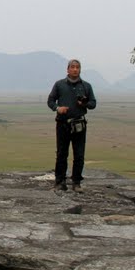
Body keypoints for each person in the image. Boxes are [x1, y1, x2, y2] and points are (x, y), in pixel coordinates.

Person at [47, 59, 97, 191]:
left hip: (79, 124)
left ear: (80, 70)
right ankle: (59, 182)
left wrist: (84, 104)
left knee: (79, 154)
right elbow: (50, 100)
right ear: (67, 69)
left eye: (77, 67)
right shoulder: (59, 85)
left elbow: (93, 103)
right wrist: (58, 108)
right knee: (62, 154)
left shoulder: (86, 86)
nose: (75, 69)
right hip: (63, 123)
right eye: (73, 67)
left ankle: (76, 182)